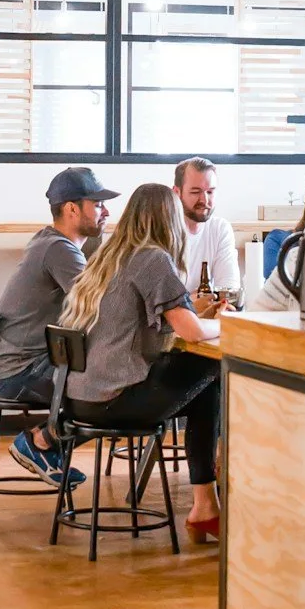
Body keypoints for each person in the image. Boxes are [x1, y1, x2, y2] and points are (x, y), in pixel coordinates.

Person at [59, 181, 223, 540]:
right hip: (115, 402)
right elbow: (191, 332)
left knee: (206, 389)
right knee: (215, 368)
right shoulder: (152, 258)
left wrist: (194, 319)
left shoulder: (107, 256)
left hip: (77, 400)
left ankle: (206, 507)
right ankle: (207, 505)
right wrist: (225, 323)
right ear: (171, 220)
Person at [0, 167, 116, 483]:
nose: (106, 211)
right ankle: (39, 442)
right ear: (72, 209)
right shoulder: (59, 249)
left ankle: (46, 445)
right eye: (97, 204)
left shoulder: (52, 242)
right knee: (117, 388)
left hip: (18, 365)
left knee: (111, 377)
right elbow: (102, 308)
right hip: (21, 372)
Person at [174, 156, 240, 311]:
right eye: (195, 192)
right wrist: (192, 302)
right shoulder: (162, 230)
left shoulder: (220, 229)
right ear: (177, 192)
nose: (204, 200)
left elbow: (228, 294)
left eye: (210, 192)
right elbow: (163, 305)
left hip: (210, 322)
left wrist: (189, 302)